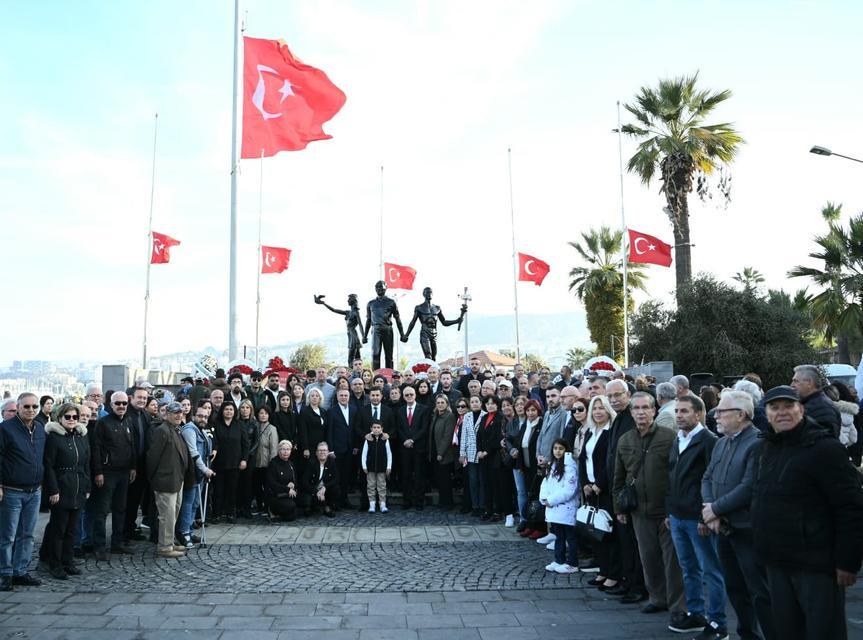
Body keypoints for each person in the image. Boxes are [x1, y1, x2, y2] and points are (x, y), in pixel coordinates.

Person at [751, 385, 863, 640]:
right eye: (775, 407)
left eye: (788, 406)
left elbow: (850, 507)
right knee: (788, 632)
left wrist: (847, 562)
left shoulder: (825, 449)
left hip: (817, 565)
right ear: (766, 413)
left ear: (801, 409)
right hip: (777, 561)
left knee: (824, 633)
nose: (782, 413)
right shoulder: (766, 448)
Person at [702, 390, 774, 640]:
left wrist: (714, 509)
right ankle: (747, 634)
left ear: (741, 415)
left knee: (759, 590)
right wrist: (709, 507)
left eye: (722, 412)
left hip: (747, 529)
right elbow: (708, 476)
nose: (717, 416)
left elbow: (748, 486)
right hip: (724, 528)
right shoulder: (722, 442)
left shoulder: (757, 443)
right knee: (734, 587)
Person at [613, 392, 685, 626]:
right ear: (631, 411)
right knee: (649, 558)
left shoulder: (670, 437)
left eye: (645, 407)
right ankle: (657, 598)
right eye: (636, 408)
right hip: (638, 510)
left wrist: (674, 508)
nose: (641, 412)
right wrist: (619, 507)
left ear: (654, 410)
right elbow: (619, 476)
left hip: (665, 511)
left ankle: (677, 607)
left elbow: (678, 475)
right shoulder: (625, 440)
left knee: (671, 562)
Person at [666, 394, 723, 636]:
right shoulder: (677, 439)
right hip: (677, 516)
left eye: (684, 411)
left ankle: (717, 621)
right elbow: (671, 478)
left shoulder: (709, 440)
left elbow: (713, 481)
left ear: (698, 414)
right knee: (688, 568)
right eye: (677, 411)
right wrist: (669, 511)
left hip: (697, 517)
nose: (679, 415)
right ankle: (696, 613)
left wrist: (705, 516)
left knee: (711, 571)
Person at [604, 379, 647, 603]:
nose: (613, 400)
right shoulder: (619, 418)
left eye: (618, 395)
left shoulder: (632, 419)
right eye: (610, 396)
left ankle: (637, 586)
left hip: (632, 492)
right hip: (619, 489)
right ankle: (627, 581)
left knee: (633, 542)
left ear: (628, 394)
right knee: (625, 541)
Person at [0, 393, 46, 590]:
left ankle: (21, 571)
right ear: (18, 407)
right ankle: (5, 574)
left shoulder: (40, 428)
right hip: (12, 491)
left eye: (35, 406)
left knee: (27, 535)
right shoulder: (5, 429)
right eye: (26, 406)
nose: (31, 410)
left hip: (34, 490)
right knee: (8, 536)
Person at [42, 403, 91, 579]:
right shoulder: (54, 438)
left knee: (72, 529)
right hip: (61, 489)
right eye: (68, 417)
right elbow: (49, 466)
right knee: (58, 529)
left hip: (78, 488)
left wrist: (87, 487)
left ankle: (67, 561)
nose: (72, 420)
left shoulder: (81, 436)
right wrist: (53, 490)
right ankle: (54, 564)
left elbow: (86, 464)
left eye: (75, 417)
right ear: (60, 418)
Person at [88, 391, 136, 560]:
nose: (121, 406)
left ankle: (117, 543)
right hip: (108, 473)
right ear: (111, 404)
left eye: (124, 403)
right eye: (118, 403)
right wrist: (99, 471)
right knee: (101, 511)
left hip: (124, 472)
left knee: (120, 510)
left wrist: (133, 467)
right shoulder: (102, 423)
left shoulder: (128, 421)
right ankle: (99, 546)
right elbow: (96, 449)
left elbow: (132, 446)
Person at [146, 402, 194, 559]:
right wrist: (154, 478)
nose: (179, 415)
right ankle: (165, 547)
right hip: (165, 481)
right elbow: (152, 457)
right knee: (166, 516)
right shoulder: (162, 430)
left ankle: (169, 542)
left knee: (173, 515)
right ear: (167, 414)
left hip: (176, 480)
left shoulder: (175, 429)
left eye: (180, 412)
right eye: (175, 413)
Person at [579, 395, 616, 590]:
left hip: (605, 489)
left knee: (608, 533)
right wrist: (585, 482)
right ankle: (602, 570)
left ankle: (613, 573)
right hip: (590, 488)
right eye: (595, 408)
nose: (598, 412)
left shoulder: (611, 432)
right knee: (595, 532)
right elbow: (583, 459)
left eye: (601, 408)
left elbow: (610, 463)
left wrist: (599, 484)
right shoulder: (590, 431)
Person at [177, 406, 214, 549]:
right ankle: (184, 532)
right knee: (188, 503)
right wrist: (205, 470)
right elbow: (194, 453)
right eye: (200, 416)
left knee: (194, 504)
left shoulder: (202, 431)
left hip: (200, 475)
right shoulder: (189, 430)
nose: (203, 419)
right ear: (193, 416)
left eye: (205, 416)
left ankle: (190, 530)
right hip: (192, 473)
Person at [540, 438, 579, 574]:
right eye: (555, 448)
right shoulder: (552, 464)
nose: (557, 451)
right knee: (558, 535)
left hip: (565, 507)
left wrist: (551, 500)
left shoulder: (570, 466)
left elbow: (569, 490)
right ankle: (559, 559)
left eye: (561, 449)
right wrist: (544, 498)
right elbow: (545, 483)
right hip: (553, 507)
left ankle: (573, 563)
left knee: (570, 536)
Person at [401, 286, 466, 360]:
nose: (429, 293)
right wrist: (406, 335)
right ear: (424, 294)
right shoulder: (419, 308)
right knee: (428, 356)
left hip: (434, 334)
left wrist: (456, 321)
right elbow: (413, 322)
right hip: (425, 333)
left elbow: (444, 322)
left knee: (434, 358)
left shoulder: (437, 308)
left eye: (430, 292)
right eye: (427, 292)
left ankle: (433, 371)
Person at [211, 402, 249, 523]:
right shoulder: (216, 424)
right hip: (219, 462)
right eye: (226, 409)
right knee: (218, 489)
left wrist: (244, 459)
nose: (228, 412)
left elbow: (245, 444)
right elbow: (215, 441)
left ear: (234, 411)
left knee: (232, 489)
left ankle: (230, 513)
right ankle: (217, 513)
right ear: (222, 411)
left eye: (231, 409)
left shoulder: (239, 425)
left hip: (235, 462)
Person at [511, 400, 543, 537]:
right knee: (529, 496)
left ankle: (540, 527)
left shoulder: (541, 424)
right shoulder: (526, 425)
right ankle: (530, 523)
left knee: (538, 497)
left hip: (537, 467)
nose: (530, 413)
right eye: (528, 410)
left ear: (538, 411)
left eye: (533, 410)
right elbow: (520, 444)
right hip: (526, 466)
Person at [397, 386, 429, 510]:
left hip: (419, 447)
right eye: (406, 395)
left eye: (411, 394)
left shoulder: (424, 409)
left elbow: (424, 428)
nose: (409, 396)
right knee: (406, 475)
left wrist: (412, 440)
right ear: (403, 397)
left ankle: (418, 502)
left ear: (415, 395)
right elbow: (399, 428)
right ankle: (407, 501)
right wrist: (406, 440)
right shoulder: (400, 411)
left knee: (419, 476)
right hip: (405, 448)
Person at [363, 279, 405, 370]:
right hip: (376, 330)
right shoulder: (371, 303)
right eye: (377, 287)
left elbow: (397, 319)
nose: (379, 289)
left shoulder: (391, 302)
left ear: (386, 288)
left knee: (389, 356)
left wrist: (402, 334)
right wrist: (364, 335)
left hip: (387, 329)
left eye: (381, 287)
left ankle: (389, 376)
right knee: (375, 354)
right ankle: (375, 376)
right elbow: (369, 320)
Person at [327, 389, 358, 509]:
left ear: (349, 397)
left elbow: (355, 429)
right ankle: (336, 501)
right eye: (341, 395)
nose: (344, 397)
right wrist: (330, 450)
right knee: (336, 477)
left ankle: (345, 500)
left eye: (346, 395)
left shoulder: (354, 409)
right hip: (337, 449)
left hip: (350, 449)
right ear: (337, 397)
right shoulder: (331, 411)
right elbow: (329, 431)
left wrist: (355, 446)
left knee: (346, 476)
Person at [789, 364, 840, 436]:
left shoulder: (822, 408)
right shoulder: (811, 404)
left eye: (796, 381)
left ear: (809, 382)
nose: (792, 385)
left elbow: (826, 443)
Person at [314, 293, 364, 365]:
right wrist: (323, 303)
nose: (348, 300)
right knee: (357, 359)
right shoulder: (348, 312)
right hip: (350, 335)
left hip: (353, 336)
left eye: (349, 299)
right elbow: (333, 310)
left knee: (351, 359)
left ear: (353, 300)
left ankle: (352, 374)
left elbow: (360, 325)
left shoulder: (356, 313)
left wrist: (364, 337)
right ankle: (357, 374)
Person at [429, 395, 457, 510]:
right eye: (438, 402)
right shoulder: (436, 415)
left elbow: (447, 436)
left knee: (445, 480)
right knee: (440, 479)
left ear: (447, 404)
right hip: (435, 450)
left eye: (442, 402)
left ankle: (448, 503)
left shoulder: (449, 416)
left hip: (444, 453)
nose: (440, 404)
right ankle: (442, 501)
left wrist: (440, 453)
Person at [459, 395, 485, 516]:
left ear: (480, 403)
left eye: (476, 402)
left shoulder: (485, 415)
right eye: (472, 402)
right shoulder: (467, 416)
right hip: (470, 453)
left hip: (482, 453)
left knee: (482, 480)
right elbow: (463, 436)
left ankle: (482, 506)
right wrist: (462, 453)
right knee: (473, 481)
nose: (474, 404)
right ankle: (475, 506)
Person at [252, 406, 279, 516]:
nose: (263, 415)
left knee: (266, 486)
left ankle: (267, 507)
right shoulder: (255, 426)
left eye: (265, 413)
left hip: (266, 462)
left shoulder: (272, 428)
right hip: (255, 462)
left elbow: (274, 447)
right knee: (256, 485)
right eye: (261, 413)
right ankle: (259, 506)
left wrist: (272, 463)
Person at [302, 442, 339, 517]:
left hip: (324, 489)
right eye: (320, 450)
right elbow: (304, 482)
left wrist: (324, 488)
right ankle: (309, 506)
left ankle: (327, 506)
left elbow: (336, 478)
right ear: (316, 453)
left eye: (324, 450)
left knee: (336, 488)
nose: (322, 452)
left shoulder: (331, 462)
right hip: (312, 489)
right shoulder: (311, 463)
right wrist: (316, 491)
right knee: (307, 506)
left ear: (328, 452)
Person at [361, 422, 392, 512]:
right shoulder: (368, 439)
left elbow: (389, 454)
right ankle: (372, 505)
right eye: (374, 427)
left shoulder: (385, 439)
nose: (376, 429)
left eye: (378, 427)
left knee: (382, 486)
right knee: (371, 486)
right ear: (371, 429)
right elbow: (364, 454)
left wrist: (389, 466)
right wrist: (364, 465)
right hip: (370, 467)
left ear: (382, 428)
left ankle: (382, 504)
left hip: (382, 467)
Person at [266, 440, 298, 521]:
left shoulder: (291, 464)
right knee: (292, 506)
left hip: (287, 495)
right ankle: (272, 510)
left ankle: (279, 515)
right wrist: (287, 489)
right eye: (283, 449)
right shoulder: (273, 464)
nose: (285, 452)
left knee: (301, 505)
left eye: (288, 449)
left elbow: (296, 479)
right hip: (276, 495)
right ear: (279, 450)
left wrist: (293, 483)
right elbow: (272, 483)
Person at [300, 388, 328, 463]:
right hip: (310, 446)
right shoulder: (304, 412)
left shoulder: (323, 411)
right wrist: (305, 448)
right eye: (312, 396)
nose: (315, 397)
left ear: (320, 398)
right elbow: (303, 431)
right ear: (309, 398)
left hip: (322, 446)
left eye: (317, 396)